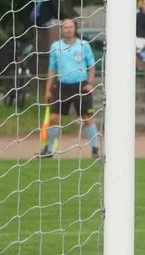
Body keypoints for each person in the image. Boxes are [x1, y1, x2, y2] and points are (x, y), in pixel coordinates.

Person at [40, 19, 100, 159]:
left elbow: (91, 65)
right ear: (62, 29)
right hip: (62, 86)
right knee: (54, 117)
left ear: (74, 29)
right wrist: (48, 89)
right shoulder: (56, 46)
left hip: (80, 86)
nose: (68, 30)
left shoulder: (83, 45)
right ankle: (48, 150)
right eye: (65, 27)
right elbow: (52, 69)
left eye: (70, 27)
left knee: (87, 117)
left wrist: (90, 83)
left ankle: (95, 149)